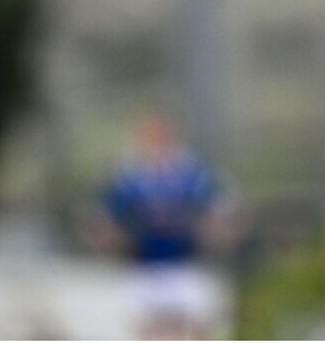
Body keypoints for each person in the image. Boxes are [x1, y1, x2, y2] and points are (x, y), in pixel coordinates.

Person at [82, 110, 240, 339]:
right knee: (145, 329)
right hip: (144, 265)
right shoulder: (130, 172)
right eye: (151, 133)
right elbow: (101, 213)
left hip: (183, 262)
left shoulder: (189, 169)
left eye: (162, 133)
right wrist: (108, 238)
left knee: (200, 324)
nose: (158, 140)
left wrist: (216, 231)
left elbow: (223, 204)